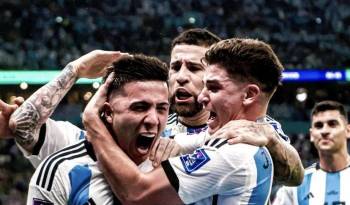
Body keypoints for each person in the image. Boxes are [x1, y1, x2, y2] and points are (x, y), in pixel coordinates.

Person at [7, 28, 303, 187]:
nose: (182, 75)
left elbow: (294, 174)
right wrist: (75, 70)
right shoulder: (144, 127)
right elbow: (23, 125)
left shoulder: (246, 131)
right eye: (175, 66)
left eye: (195, 67)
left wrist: (272, 141)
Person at [83, 37, 292, 204]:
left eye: (213, 87)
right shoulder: (228, 137)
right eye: (175, 67)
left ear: (248, 95)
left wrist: (94, 124)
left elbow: (138, 195)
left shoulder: (234, 151)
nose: (202, 96)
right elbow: (187, 141)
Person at [26, 54, 171, 204]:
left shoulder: (177, 163)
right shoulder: (59, 172)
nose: (153, 120)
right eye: (140, 108)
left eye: (162, 108)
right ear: (108, 113)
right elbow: (23, 126)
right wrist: (76, 69)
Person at [273, 100, 350, 205]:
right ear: (312, 135)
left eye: (332, 124)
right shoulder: (294, 186)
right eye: (319, 125)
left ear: (348, 130)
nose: (324, 131)